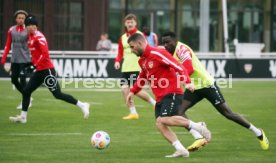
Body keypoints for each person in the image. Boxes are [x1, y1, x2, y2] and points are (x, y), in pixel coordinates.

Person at [161, 31, 269, 151]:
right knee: (178, 112)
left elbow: (189, 69)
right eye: (163, 43)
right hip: (193, 88)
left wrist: (176, 78)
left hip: (207, 85)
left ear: (175, 41)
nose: (165, 45)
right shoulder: (168, 53)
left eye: (168, 42)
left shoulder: (182, 50)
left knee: (228, 114)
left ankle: (258, 133)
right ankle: (198, 137)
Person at [126, 33, 211, 158]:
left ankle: (199, 126)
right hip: (160, 96)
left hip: (172, 92)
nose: (131, 50)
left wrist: (187, 82)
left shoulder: (157, 53)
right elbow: (142, 77)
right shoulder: (142, 60)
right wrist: (132, 92)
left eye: (132, 47)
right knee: (160, 123)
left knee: (164, 119)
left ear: (139, 43)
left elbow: (178, 66)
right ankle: (181, 149)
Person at [9, 15, 90, 123]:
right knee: (26, 91)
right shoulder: (30, 37)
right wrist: (29, 64)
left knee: (58, 94)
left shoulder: (39, 37)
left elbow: (45, 54)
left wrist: (34, 65)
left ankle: (83, 105)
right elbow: (35, 56)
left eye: (33, 25)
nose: (30, 27)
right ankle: (23, 117)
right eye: (28, 25)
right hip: (39, 71)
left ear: (36, 26)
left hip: (47, 71)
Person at [114, 14, 156, 120]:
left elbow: (147, 49)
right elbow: (120, 52)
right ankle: (133, 113)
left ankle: (154, 103)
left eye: (131, 22)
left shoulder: (140, 35)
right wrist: (117, 61)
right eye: (128, 22)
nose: (130, 24)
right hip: (126, 68)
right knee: (124, 90)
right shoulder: (123, 37)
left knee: (135, 90)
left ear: (135, 23)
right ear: (125, 24)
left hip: (137, 67)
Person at [1, 10, 33, 109]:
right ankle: (28, 97)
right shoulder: (11, 30)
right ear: (16, 19)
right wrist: (4, 57)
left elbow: (33, 44)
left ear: (25, 20)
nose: (21, 20)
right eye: (19, 18)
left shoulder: (29, 30)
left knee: (23, 80)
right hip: (15, 59)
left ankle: (26, 101)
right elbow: (7, 44)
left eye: (23, 18)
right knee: (14, 80)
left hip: (26, 59)